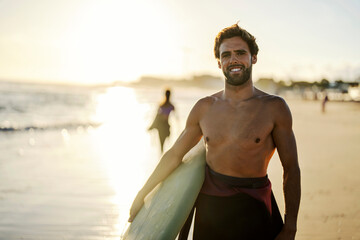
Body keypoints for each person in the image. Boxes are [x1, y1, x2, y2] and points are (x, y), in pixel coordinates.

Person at [129, 23, 301, 240]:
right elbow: (174, 155)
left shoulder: (274, 108)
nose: (233, 59)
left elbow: (291, 169)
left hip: (255, 207)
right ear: (219, 63)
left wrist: (291, 226)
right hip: (211, 210)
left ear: (253, 57)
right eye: (226, 55)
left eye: (240, 53)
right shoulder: (204, 108)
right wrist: (142, 194)